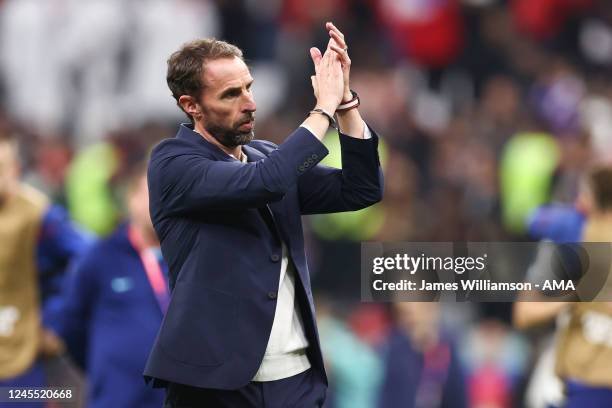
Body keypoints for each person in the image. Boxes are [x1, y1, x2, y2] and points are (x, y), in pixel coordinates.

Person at [144, 21, 383, 407]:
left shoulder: (267, 156)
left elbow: (361, 188)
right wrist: (321, 108)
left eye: (249, 87)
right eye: (231, 94)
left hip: (296, 379)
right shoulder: (172, 163)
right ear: (191, 106)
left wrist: (345, 104)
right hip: (216, 384)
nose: (250, 103)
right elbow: (264, 184)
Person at [55, 163, 167, 408]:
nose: (163, 203)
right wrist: (106, 368)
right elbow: (71, 326)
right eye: (154, 193)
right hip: (118, 398)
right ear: (132, 198)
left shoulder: (192, 258)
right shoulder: (100, 258)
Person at [0, 136, 90, 408]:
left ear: (14, 171)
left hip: (23, 350)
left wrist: (56, 316)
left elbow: (89, 256)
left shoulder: (39, 214)